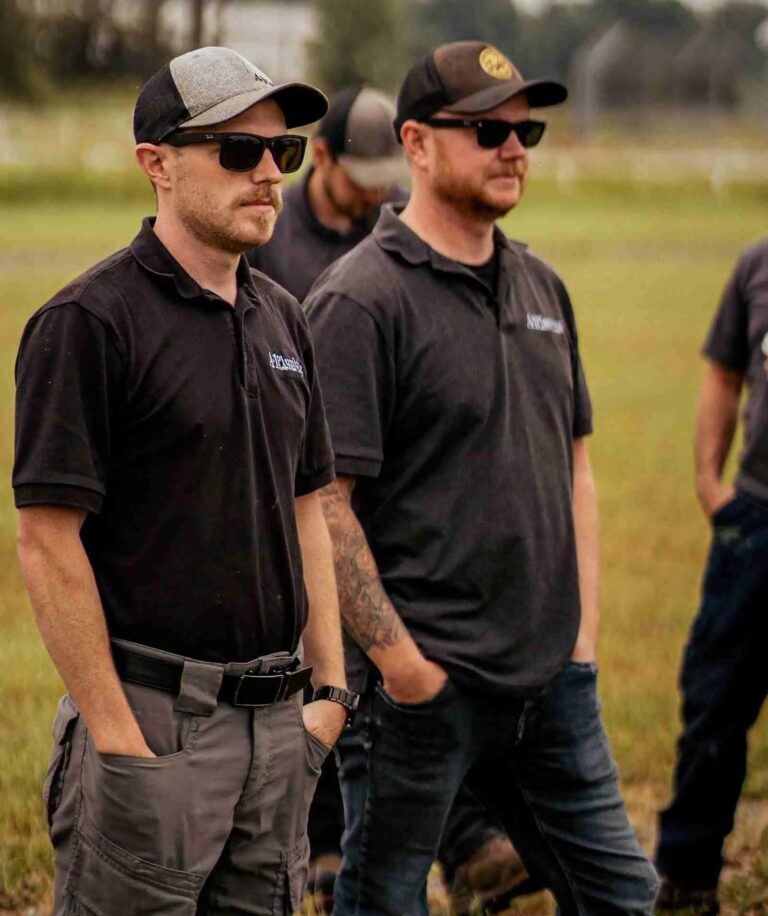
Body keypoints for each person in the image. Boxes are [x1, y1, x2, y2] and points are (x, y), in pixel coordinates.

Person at [305, 40, 660, 916]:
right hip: (422, 693)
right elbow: (325, 507)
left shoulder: (544, 285)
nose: (516, 148)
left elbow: (575, 467)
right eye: (488, 131)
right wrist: (403, 666)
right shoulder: (359, 302)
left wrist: (581, 643)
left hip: (552, 688)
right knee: (386, 898)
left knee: (624, 897)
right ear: (417, 144)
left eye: (527, 129)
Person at [13, 46, 359, 916]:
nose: (268, 176)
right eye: (236, 151)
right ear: (156, 164)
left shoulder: (284, 317)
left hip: (281, 731)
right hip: (154, 730)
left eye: (283, 152)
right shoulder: (87, 323)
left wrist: (328, 695)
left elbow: (307, 505)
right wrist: (121, 742)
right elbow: (47, 542)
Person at [249, 82, 529, 914]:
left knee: (404, 664)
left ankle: (464, 841)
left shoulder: (395, 231)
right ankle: (333, 846)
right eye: (357, 175)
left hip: (386, 483)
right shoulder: (271, 237)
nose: (376, 194)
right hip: (292, 484)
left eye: (386, 177)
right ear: (321, 156)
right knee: (324, 668)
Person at [655, 243, 768, 913]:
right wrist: (708, 483)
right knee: (714, 701)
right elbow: (722, 373)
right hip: (755, 523)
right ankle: (688, 876)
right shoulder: (757, 267)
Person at [248, 84, 408, 302]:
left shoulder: (405, 218)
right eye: (361, 182)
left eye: (384, 182)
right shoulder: (269, 228)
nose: (375, 196)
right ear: (321, 155)